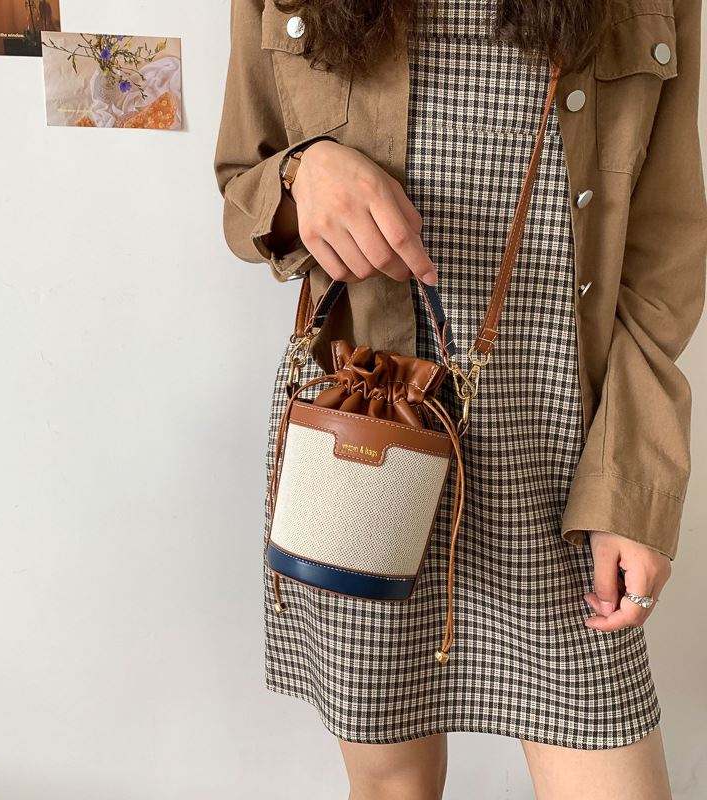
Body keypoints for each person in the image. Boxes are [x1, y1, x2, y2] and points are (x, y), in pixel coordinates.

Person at [214, 1, 707, 798]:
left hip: (570, 455)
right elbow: (244, 185)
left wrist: (636, 485)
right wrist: (306, 173)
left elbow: (666, 256)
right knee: (392, 787)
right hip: (368, 437)